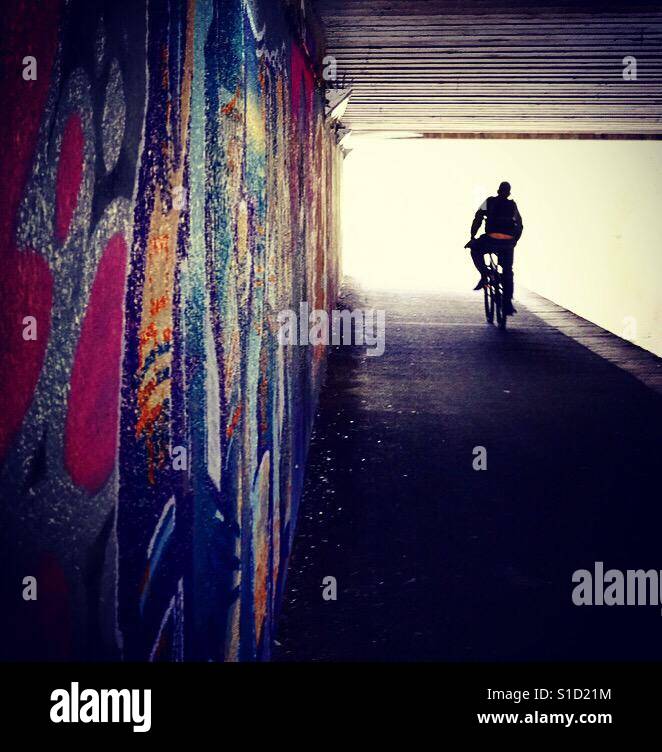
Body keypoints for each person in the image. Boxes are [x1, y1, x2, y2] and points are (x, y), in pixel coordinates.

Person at [464, 181, 523, 315]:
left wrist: (472, 236)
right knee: (508, 271)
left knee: (475, 249)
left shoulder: (489, 201)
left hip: (490, 239)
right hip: (507, 243)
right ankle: (507, 302)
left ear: (498, 191)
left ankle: (485, 274)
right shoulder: (512, 205)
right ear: (508, 193)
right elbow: (520, 225)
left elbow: (478, 218)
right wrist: (514, 240)